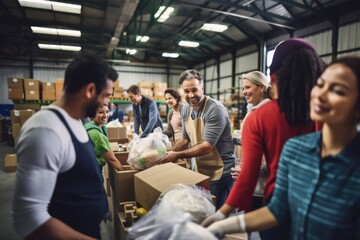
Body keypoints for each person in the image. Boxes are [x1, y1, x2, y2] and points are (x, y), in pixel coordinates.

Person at [206, 56, 360, 240]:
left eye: (338, 91)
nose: (321, 95)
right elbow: (277, 210)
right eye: (320, 85)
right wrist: (221, 223)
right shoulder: (295, 150)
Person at [202, 38, 325, 240]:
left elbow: (247, 176)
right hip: (322, 206)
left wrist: (222, 213)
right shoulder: (327, 113)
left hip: (277, 208)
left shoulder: (259, 117)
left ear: (273, 77)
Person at [12, 53, 114, 239]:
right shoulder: (45, 130)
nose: (107, 103)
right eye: (106, 96)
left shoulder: (76, 121)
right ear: (90, 90)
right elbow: (27, 216)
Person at [159, 69, 236, 210]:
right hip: (200, 168)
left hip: (220, 170)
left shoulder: (215, 109)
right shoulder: (185, 109)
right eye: (186, 91)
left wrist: (178, 155)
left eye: (194, 90)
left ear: (202, 87)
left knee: (215, 213)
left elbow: (207, 146)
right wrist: (169, 154)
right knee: (202, 211)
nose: (191, 95)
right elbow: (185, 138)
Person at [84, 103, 123, 173]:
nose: (105, 115)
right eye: (101, 112)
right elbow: (112, 160)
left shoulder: (99, 126)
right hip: (92, 171)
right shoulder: (96, 134)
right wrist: (125, 175)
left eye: (107, 112)